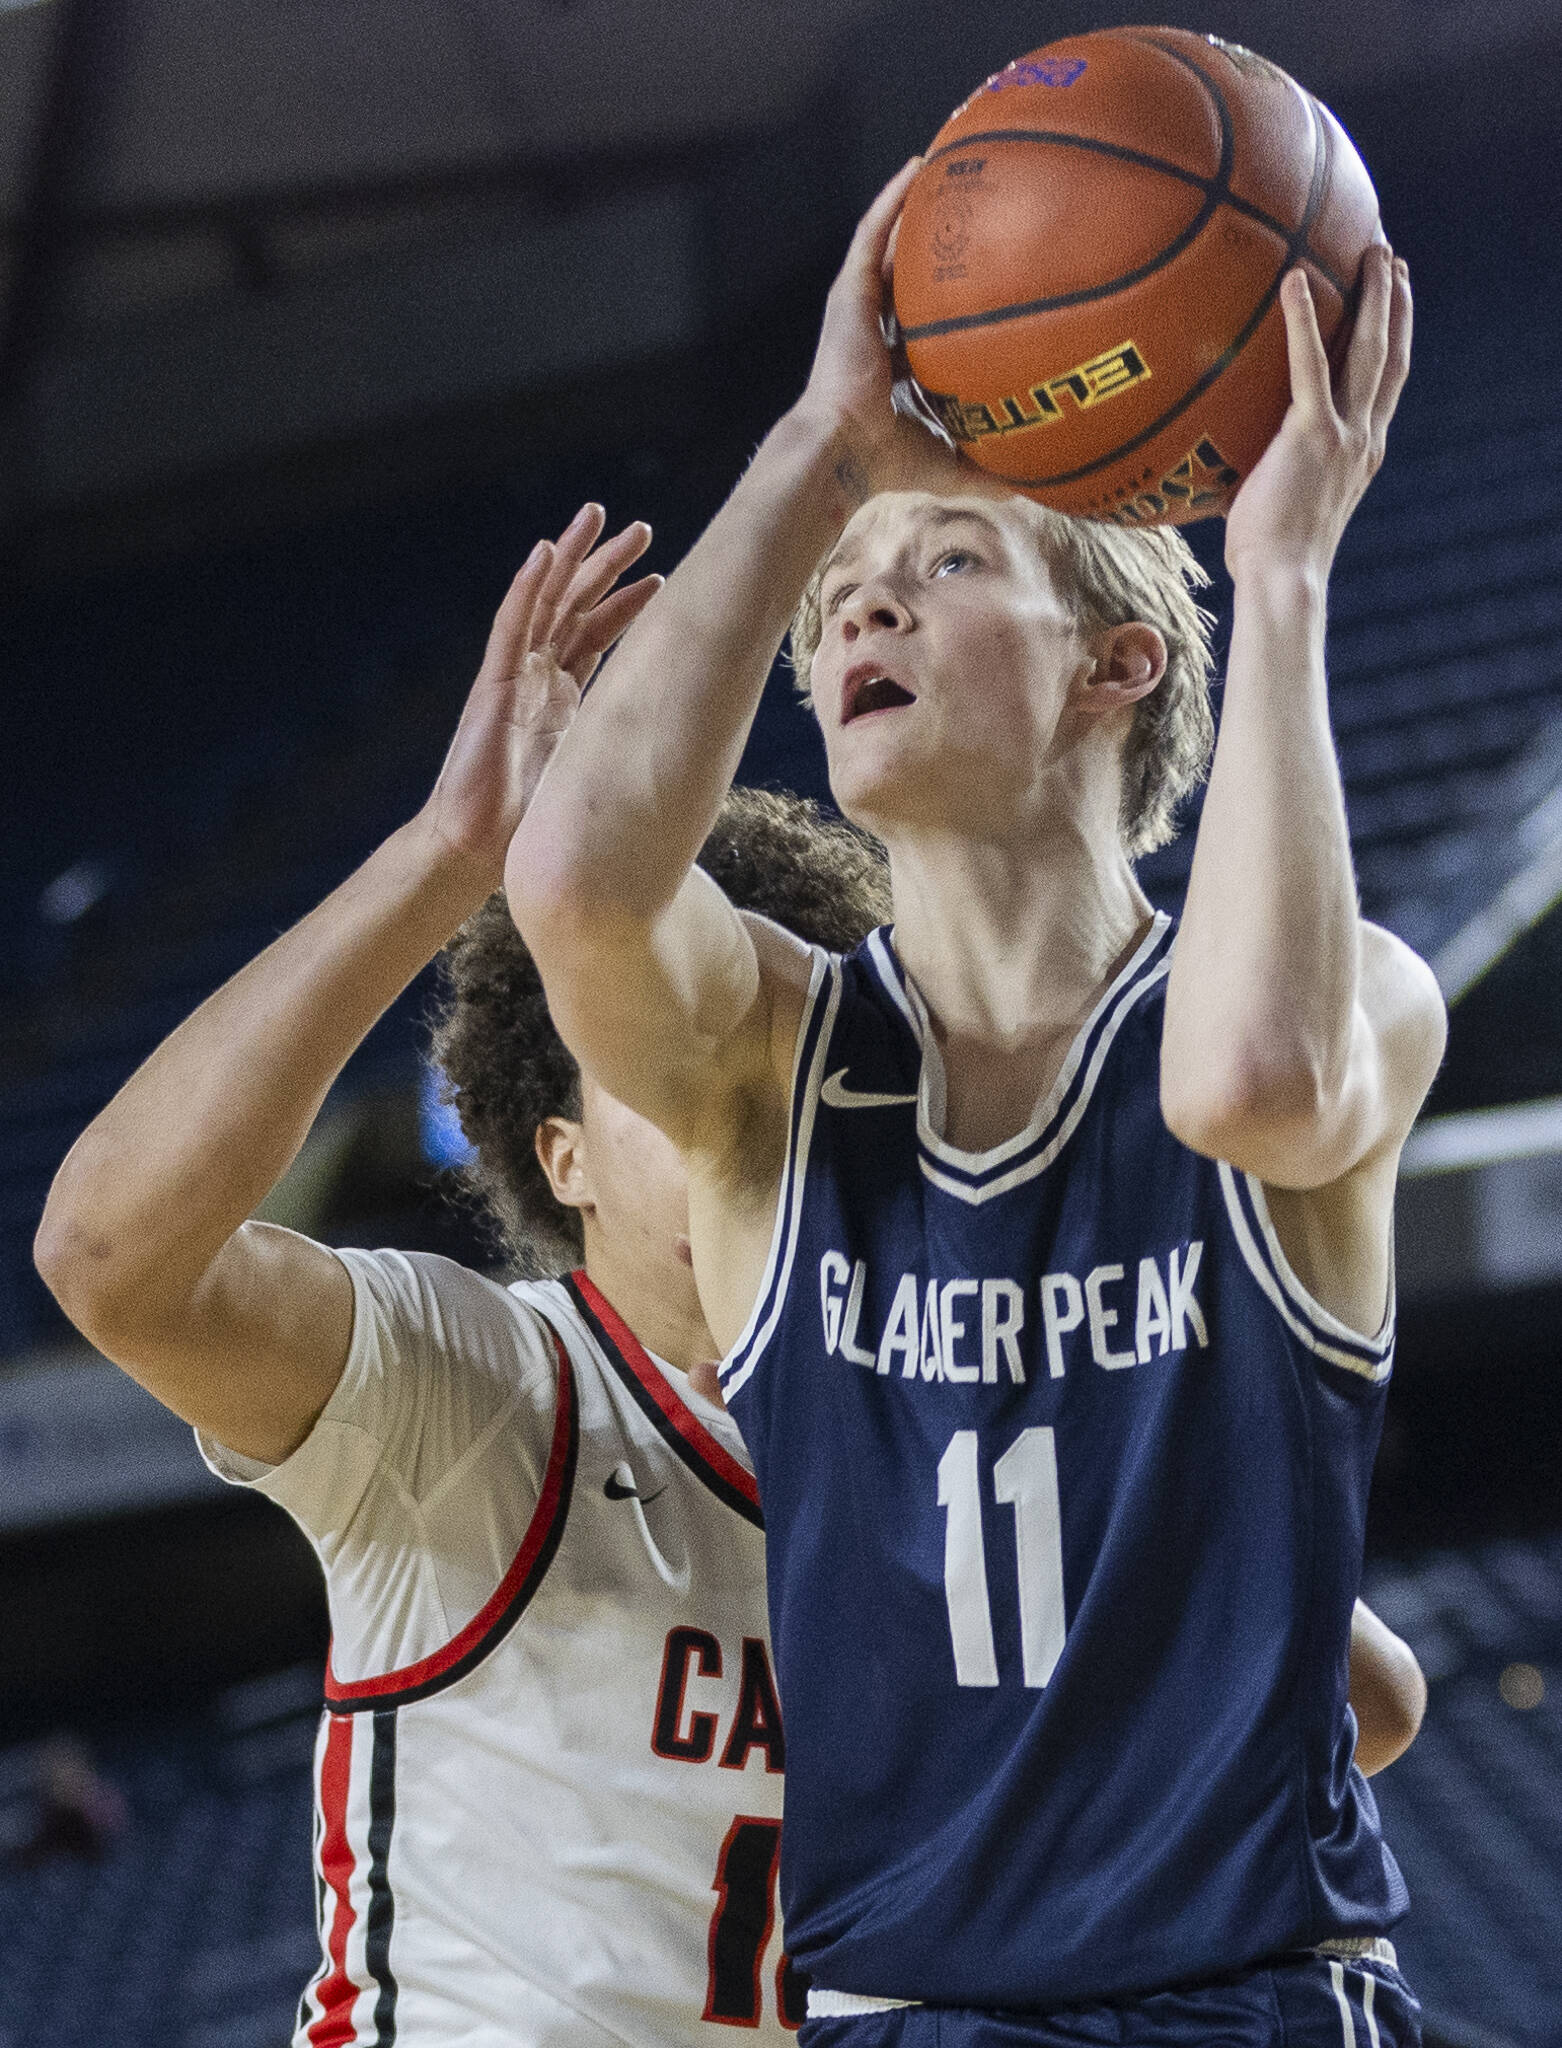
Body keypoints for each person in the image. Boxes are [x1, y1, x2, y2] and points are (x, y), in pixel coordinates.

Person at [506, 156, 1443, 2048]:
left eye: (942, 565)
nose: (866, 614)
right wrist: (819, 452)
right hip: (905, 2008)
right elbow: (577, 889)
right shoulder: (776, 1060)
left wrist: (1278, 573)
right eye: (840, 602)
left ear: (1118, 663)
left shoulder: (1346, 999)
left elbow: (1250, 1083)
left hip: (1247, 1996)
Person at [33, 508, 898, 2045]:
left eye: (771, 1069)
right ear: (557, 1153)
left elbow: (1339, 1720)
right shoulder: (487, 1383)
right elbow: (108, 1258)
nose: (728, 1113)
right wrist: (449, 855)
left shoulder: (943, 1440)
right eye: (666, 1070)